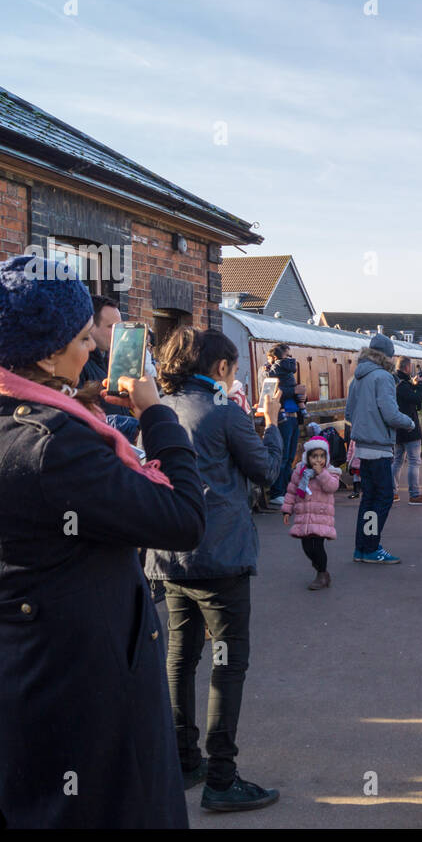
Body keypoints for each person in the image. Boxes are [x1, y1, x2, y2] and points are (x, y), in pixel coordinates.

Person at [0, 255, 206, 827]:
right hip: (85, 695)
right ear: (47, 353)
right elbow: (182, 517)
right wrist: (155, 413)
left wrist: (75, 410)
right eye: (83, 338)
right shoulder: (50, 445)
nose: (93, 352)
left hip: (14, 680)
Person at [145, 328, 283, 812]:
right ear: (221, 369)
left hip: (169, 551)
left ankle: (184, 759)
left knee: (180, 657)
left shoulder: (157, 410)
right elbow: (266, 471)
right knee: (228, 662)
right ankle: (222, 777)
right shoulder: (226, 413)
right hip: (221, 555)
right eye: (234, 368)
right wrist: (273, 421)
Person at [344, 334, 415, 563]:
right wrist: (410, 423)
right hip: (379, 448)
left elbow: (348, 414)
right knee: (383, 498)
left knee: (369, 499)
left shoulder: (357, 378)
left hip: (362, 448)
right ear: (387, 356)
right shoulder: (383, 377)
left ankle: (362, 548)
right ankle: (372, 547)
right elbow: (390, 413)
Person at [282, 436, 340, 591]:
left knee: (317, 547)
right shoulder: (300, 472)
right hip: (304, 517)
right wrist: (287, 510)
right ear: (307, 457)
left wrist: (321, 473)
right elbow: (292, 491)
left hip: (321, 517)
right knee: (307, 547)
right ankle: (320, 568)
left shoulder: (331, 472)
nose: (318, 460)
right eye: (315, 456)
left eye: (322, 456)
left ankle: (321, 574)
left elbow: (332, 487)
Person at [264, 343, 302, 506]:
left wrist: (299, 394)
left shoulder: (280, 371)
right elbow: (271, 393)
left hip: (291, 415)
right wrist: (295, 391)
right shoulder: (271, 372)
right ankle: (277, 492)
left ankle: (285, 490)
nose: (290, 360)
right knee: (284, 455)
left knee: (289, 456)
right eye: (287, 356)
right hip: (283, 415)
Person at [392, 357, 422, 505]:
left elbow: (407, 397)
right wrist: (421, 384)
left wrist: (414, 383)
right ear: (407, 367)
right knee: (414, 461)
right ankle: (414, 495)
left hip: (397, 428)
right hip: (409, 427)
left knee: (397, 461)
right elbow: (416, 399)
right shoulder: (401, 385)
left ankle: (393, 493)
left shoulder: (397, 382)